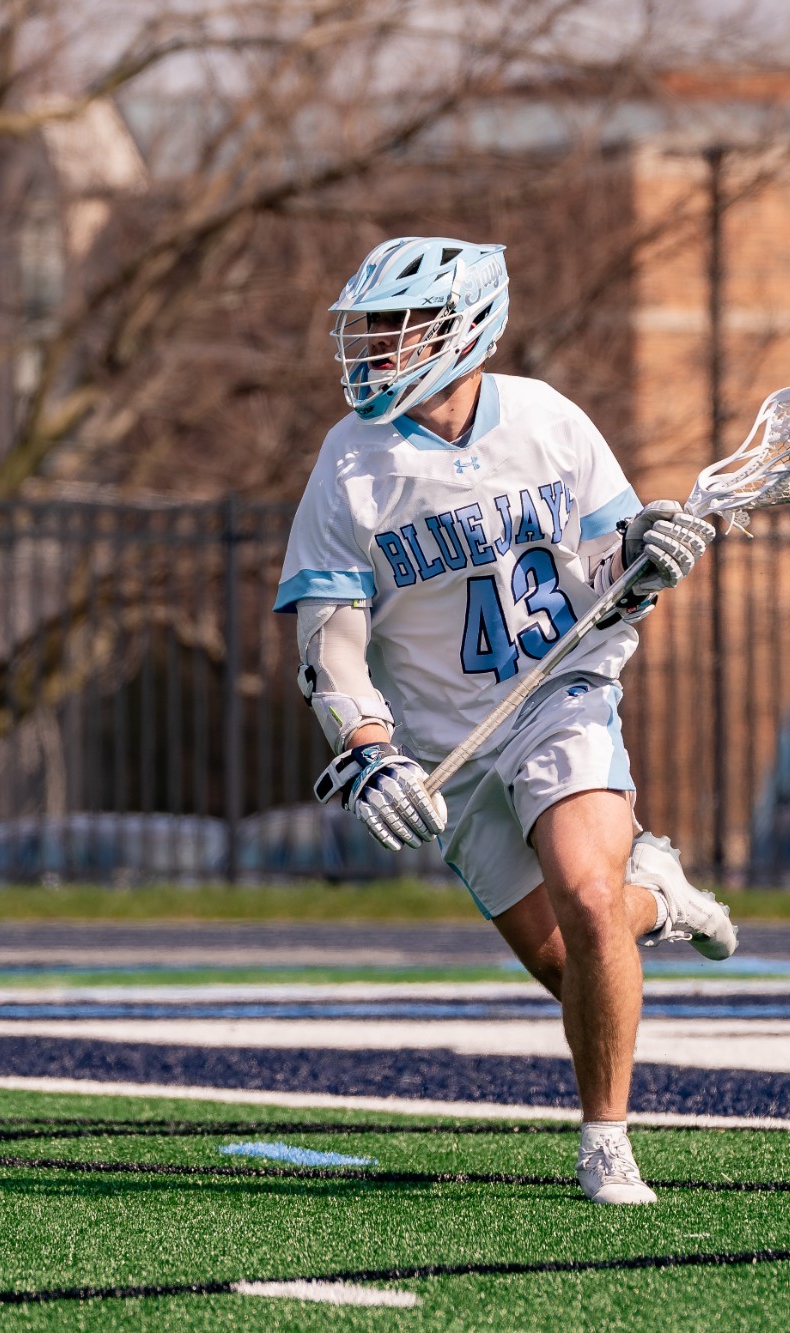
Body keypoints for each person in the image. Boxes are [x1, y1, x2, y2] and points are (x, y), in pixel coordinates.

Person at [275, 236, 738, 1205]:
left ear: (466, 329)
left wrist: (646, 553)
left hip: (560, 697)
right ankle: (655, 894)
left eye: (401, 328)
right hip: (449, 743)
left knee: (581, 884)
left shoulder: (544, 418)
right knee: (573, 959)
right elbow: (330, 641)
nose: (377, 349)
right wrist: (367, 751)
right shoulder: (350, 463)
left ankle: (605, 1140)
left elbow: (611, 576)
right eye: (371, 330)